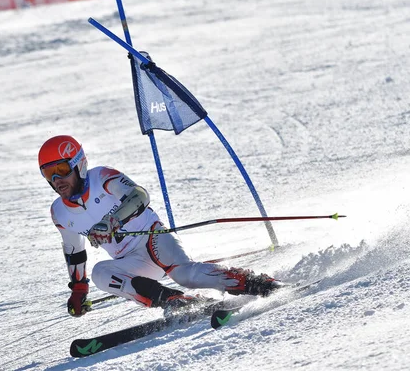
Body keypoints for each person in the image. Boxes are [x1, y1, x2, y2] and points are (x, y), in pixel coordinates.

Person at [38, 135, 281, 317]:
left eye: (61, 169)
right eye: (49, 173)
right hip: (132, 262)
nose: (57, 180)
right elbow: (74, 250)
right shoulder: (59, 212)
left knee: (185, 274)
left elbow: (139, 195)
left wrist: (112, 221)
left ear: (79, 164)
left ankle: (257, 283)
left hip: (152, 238)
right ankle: (175, 301)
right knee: (101, 273)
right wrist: (79, 288)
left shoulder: (101, 177)